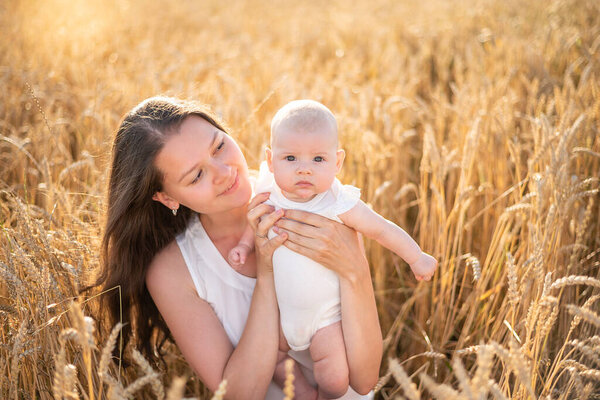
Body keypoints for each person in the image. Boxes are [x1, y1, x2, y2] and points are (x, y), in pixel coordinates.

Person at [94, 96, 382, 400]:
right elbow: (239, 395)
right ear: (167, 198)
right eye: (196, 176)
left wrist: (355, 270)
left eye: (219, 146)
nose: (223, 171)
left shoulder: (311, 198)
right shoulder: (174, 271)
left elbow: (364, 380)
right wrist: (268, 272)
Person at [228, 100, 437, 399]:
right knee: (272, 358)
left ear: (337, 163)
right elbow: (257, 226)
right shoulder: (268, 192)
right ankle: (303, 394)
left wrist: (416, 257)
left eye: (318, 159)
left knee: (337, 379)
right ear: (271, 161)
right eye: (290, 158)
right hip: (281, 316)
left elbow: (381, 228)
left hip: (325, 320)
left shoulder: (338, 203)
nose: (304, 170)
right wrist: (243, 246)